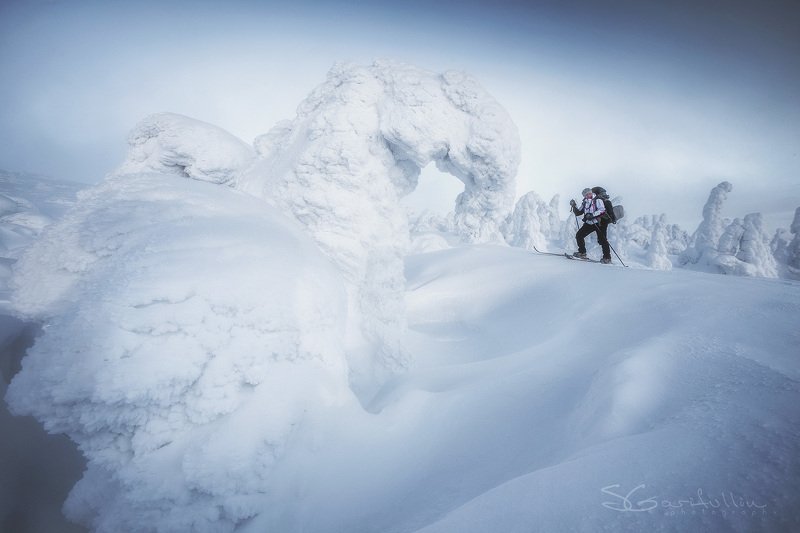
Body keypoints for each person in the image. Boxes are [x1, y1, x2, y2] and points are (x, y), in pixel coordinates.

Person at [570, 188, 612, 263]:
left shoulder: (597, 200)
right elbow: (579, 212)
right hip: (590, 223)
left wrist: (592, 215)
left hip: (600, 223)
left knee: (602, 240)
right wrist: (574, 206)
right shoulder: (585, 202)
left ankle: (607, 258)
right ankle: (582, 253)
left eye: (589, 193)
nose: (588, 195)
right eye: (586, 194)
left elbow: (602, 210)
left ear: (591, 193)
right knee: (579, 235)